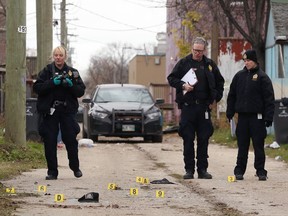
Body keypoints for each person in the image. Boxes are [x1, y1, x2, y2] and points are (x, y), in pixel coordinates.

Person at [167, 37, 224, 179]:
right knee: (188, 138)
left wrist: (215, 99)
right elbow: (171, 78)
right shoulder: (184, 63)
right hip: (188, 108)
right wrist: (182, 85)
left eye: (200, 51)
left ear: (204, 50)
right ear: (192, 49)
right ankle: (189, 170)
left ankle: (202, 170)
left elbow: (219, 83)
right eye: (195, 50)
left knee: (204, 139)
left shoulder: (209, 65)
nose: (197, 53)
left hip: (204, 107)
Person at [33, 46, 86, 180]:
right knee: (50, 141)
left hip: (67, 111)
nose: (58, 58)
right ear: (53, 56)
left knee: (70, 140)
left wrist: (71, 85)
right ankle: (52, 172)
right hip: (51, 111)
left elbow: (80, 91)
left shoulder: (72, 72)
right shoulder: (46, 71)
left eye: (60, 55)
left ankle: (75, 167)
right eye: (56, 55)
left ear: (65, 57)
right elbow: (37, 88)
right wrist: (52, 83)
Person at [226, 49, 275, 181]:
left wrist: (269, 117)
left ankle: (261, 171)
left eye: (249, 61)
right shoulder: (239, 76)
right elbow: (232, 96)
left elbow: (269, 99)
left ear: (255, 61)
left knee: (258, 145)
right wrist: (230, 112)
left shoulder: (262, 77)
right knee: (242, 145)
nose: (246, 63)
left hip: (257, 118)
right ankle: (239, 170)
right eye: (245, 61)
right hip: (242, 117)